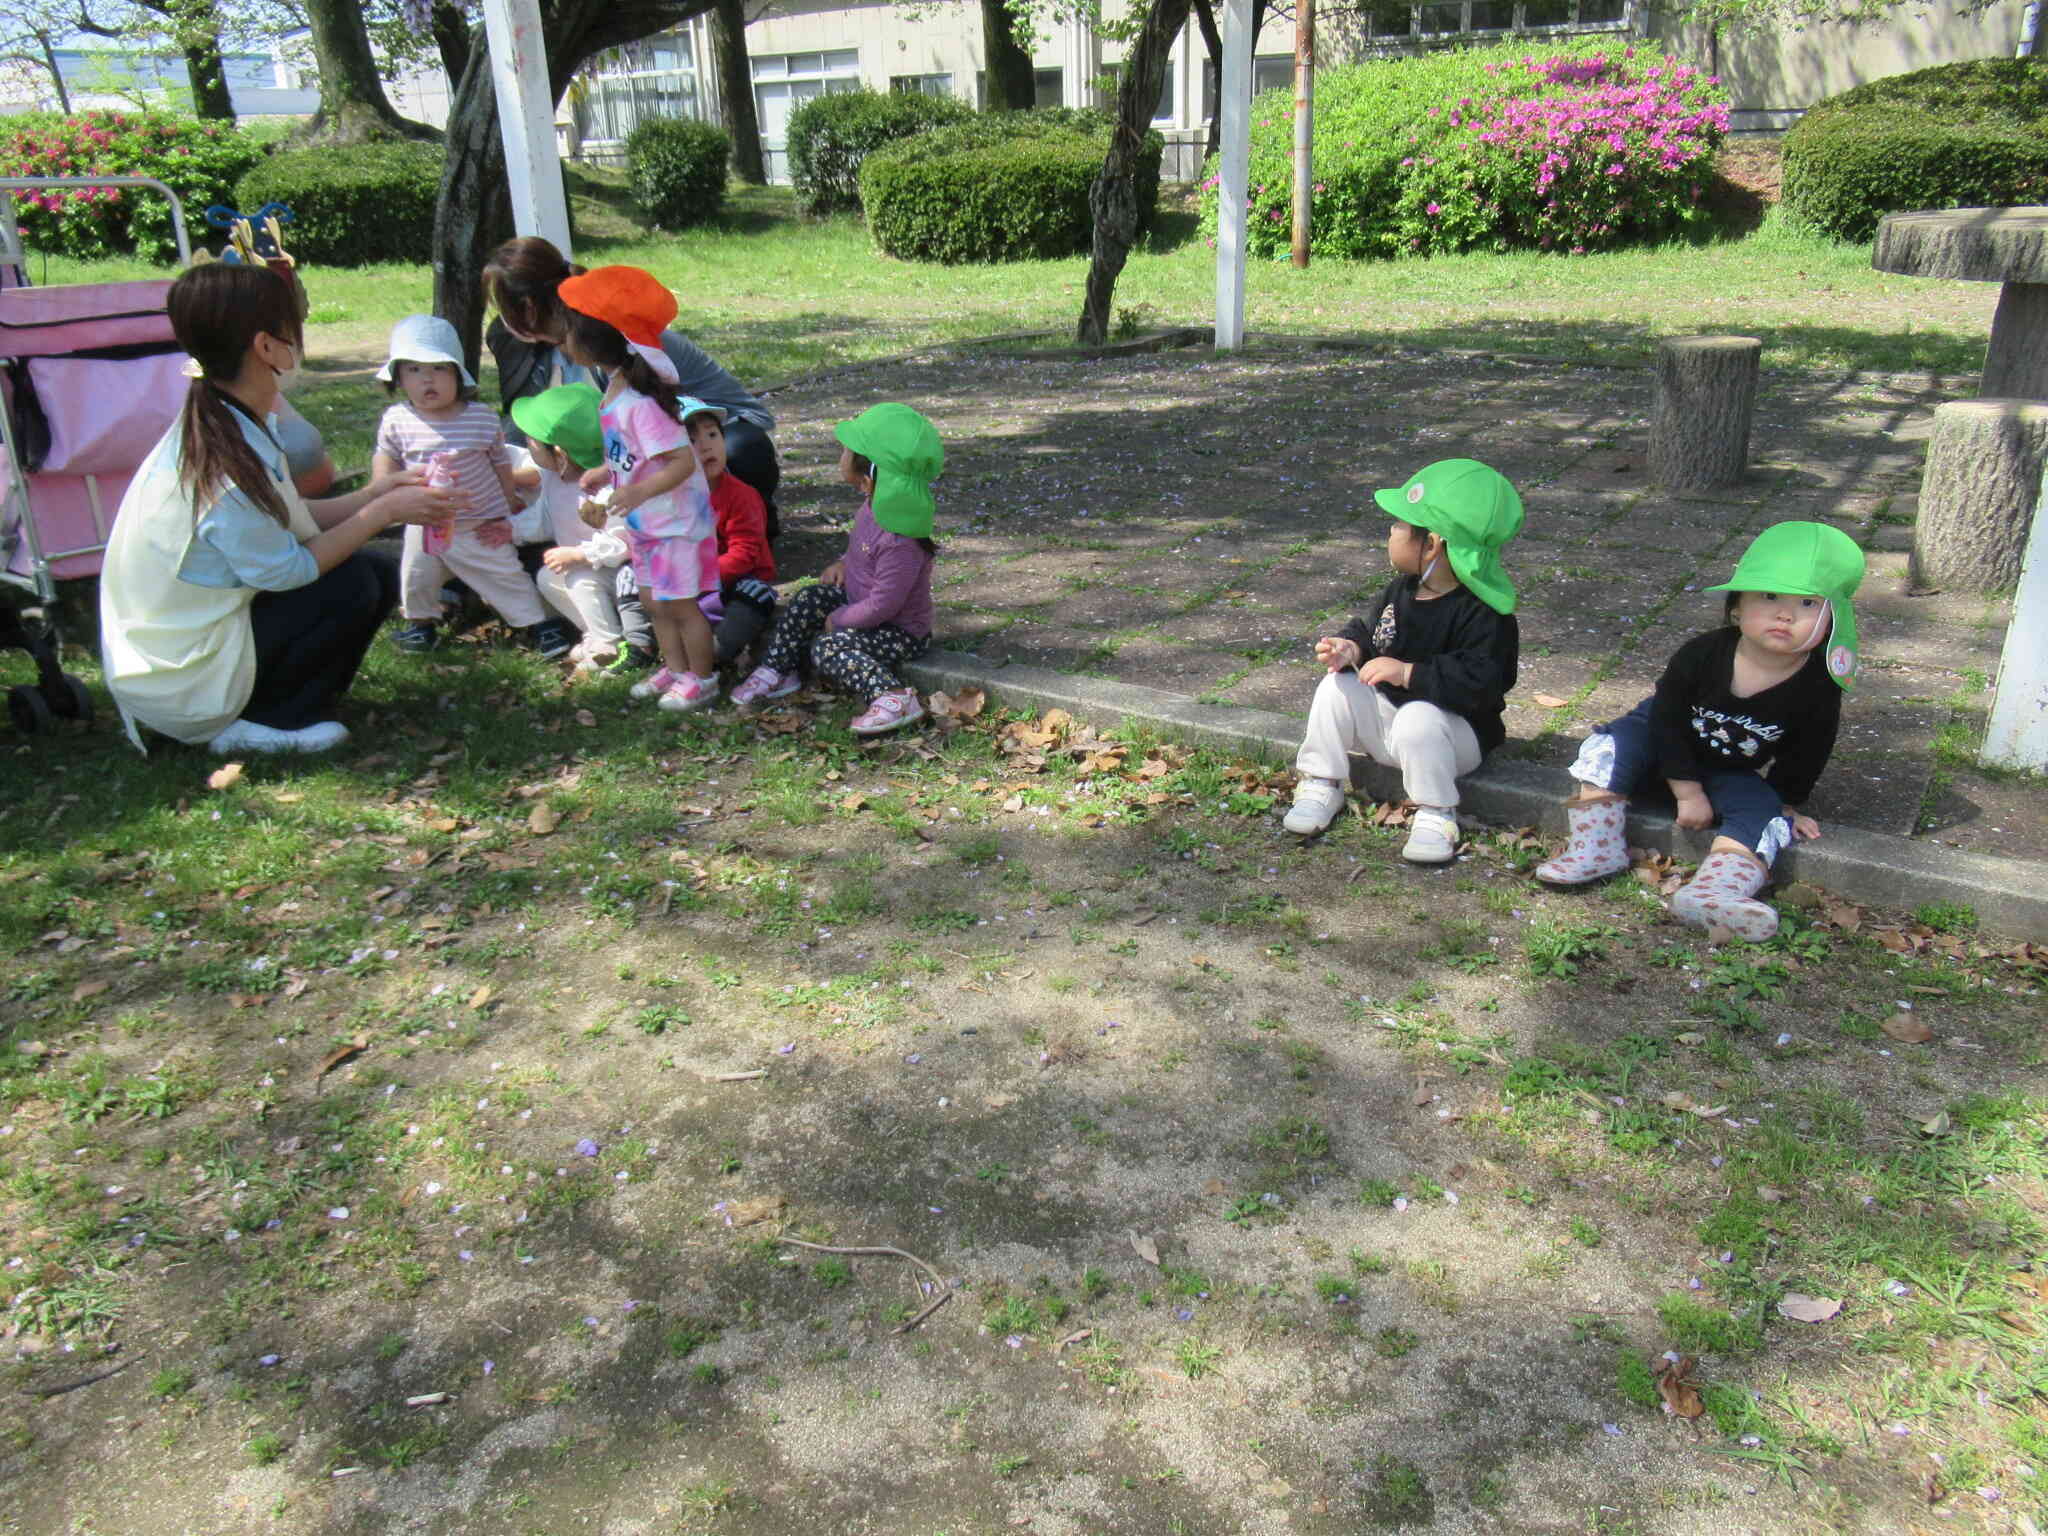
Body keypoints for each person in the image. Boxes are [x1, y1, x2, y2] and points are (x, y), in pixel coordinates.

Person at [99, 263, 459, 756]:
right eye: (293, 327)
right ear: (266, 347)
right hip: (179, 684)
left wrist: (376, 495)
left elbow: (291, 517)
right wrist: (381, 512)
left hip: (192, 645)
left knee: (370, 568)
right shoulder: (225, 463)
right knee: (351, 582)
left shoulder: (226, 418)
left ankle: (286, 703)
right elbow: (289, 568)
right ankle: (255, 721)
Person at [1534, 521, 1865, 943]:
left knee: (1762, 811)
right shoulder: (1702, 654)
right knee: (1612, 746)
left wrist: (1785, 799)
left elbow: (1809, 748)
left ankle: (1715, 891)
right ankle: (1596, 848)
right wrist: (1687, 791)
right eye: (1768, 596)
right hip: (1659, 747)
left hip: (1726, 768)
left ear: (1830, 624)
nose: (1785, 614)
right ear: (1737, 607)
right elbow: (1667, 721)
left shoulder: (1818, 686)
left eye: (1806, 604)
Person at [1282, 458, 1523, 865]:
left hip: (1450, 740)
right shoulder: (1403, 588)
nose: (1390, 533)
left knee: (1419, 718)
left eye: (1398, 526)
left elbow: (1482, 683)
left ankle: (1436, 811)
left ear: (1431, 544)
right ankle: (1322, 780)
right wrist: (1350, 649)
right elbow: (1374, 633)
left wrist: (1408, 672)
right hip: (1390, 729)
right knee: (1334, 688)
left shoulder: (1485, 614)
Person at [482, 236, 782, 533]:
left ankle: (736, 525)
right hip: (633, 451)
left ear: (529, 307)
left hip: (702, 431)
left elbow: (652, 424)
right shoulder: (521, 345)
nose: (503, 321)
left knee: (738, 451)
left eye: (503, 307)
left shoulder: (607, 335)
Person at [556, 265, 721, 712]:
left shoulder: (640, 404)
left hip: (673, 522)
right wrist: (604, 474)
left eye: (569, 328)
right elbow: (633, 456)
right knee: (654, 601)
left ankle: (702, 678)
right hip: (646, 522)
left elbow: (681, 462)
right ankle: (676, 667)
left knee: (681, 605)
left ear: (593, 341)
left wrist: (636, 493)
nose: (563, 337)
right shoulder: (615, 388)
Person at [731, 403, 941, 737]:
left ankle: (892, 697)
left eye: (847, 450)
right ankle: (779, 670)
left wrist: (840, 619)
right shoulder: (875, 504)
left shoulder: (902, 542)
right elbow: (862, 548)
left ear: (870, 474)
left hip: (899, 631)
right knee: (810, 597)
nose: (841, 453)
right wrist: (844, 563)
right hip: (860, 604)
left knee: (827, 647)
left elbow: (884, 605)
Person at [372, 314, 574, 659]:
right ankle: (421, 626)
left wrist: (509, 497)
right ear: (399, 378)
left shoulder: (479, 417)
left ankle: (541, 625)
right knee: (417, 577)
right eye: (414, 370)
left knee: (505, 576)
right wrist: (382, 488)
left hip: (477, 521)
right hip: (425, 521)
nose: (427, 380)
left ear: (457, 375)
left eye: (438, 369)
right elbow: (385, 456)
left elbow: (499, 461)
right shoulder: (397, 419)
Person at [511, 382, 629, 673]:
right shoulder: (553, 476)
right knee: (546, 577)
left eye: (533, 441)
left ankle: (610, 642)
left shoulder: (604, 488)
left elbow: (624, 542)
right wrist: (509, 531)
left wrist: (580, 556)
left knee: (579, 579)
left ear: (561, 454)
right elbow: (545, 519)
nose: (527, 442)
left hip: (623, 570)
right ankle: (593, 631)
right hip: (587, 565)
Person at [678, 397, 779, 671]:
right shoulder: (673, 497)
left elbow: (744, 554)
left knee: (755, 596)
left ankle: (719, 650)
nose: (706, 445)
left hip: (739, 580)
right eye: (692, 439)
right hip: (693, 583)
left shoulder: (742, 496)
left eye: (713, 434)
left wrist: (699, 576)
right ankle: (648, 643)